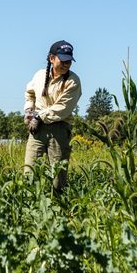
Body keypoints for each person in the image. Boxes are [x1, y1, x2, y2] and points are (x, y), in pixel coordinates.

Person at [24, 40, 82, 195]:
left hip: (59, 130)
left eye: (69, 61)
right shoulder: (39, 75)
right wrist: (29, 110)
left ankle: (59, 208)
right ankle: (30, 204)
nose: (66, 64)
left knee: (58, 176)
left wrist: (38, 116)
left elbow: (62, 108)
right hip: (37, 130)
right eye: (62, 60)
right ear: (51, 58)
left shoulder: (72, 81)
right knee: (29, 171)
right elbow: (30, 93)